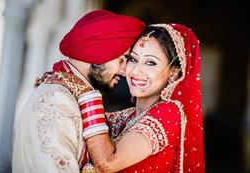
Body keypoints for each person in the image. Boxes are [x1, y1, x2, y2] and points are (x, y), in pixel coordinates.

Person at [12, 10, 145, 173]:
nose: (125, 71)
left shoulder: (70, 93)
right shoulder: (55, 98)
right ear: (99, 51)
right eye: (122, 60)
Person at [77, 23, 205, 173]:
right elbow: (77, 120)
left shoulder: (169, 112)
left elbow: (107, 163)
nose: (136, 70)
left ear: (174, 73)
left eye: (150, 62)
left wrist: (85, 93)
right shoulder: (128, 117)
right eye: (133, 59)